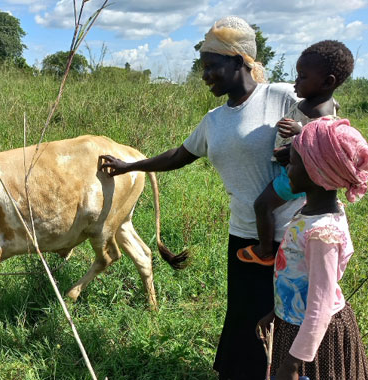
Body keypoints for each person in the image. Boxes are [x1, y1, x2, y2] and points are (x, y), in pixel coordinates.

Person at [99, 16, 305, 380]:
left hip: (293, 235)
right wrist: (130, 165)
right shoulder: (214, 121)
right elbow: (179, 155)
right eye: (203, 67)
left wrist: (302, 143)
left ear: (240, 60)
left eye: (212, 66)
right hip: (244, 234)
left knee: (291, 314)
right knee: (245, 313)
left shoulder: (282, 97)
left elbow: (332, 132)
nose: (205, 75)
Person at [256, 117, 368, 380]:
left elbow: (320, 306)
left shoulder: (322, 234)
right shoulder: (312, 211)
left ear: (317, 173)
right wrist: (278, 310)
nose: (288, 170)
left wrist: (291, 365)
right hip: (295, 326)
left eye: (293, 163)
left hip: (316, 340)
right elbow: (301, 279)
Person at [237, 40, 354, 266]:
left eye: (302, 77)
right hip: (293, 167)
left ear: (327, 82)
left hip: (296, 174)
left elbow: (323, 141)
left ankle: (264, 251)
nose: (296, 81)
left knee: (262, 205)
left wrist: (299, 132)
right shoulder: (315, 102)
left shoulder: (322, 111)